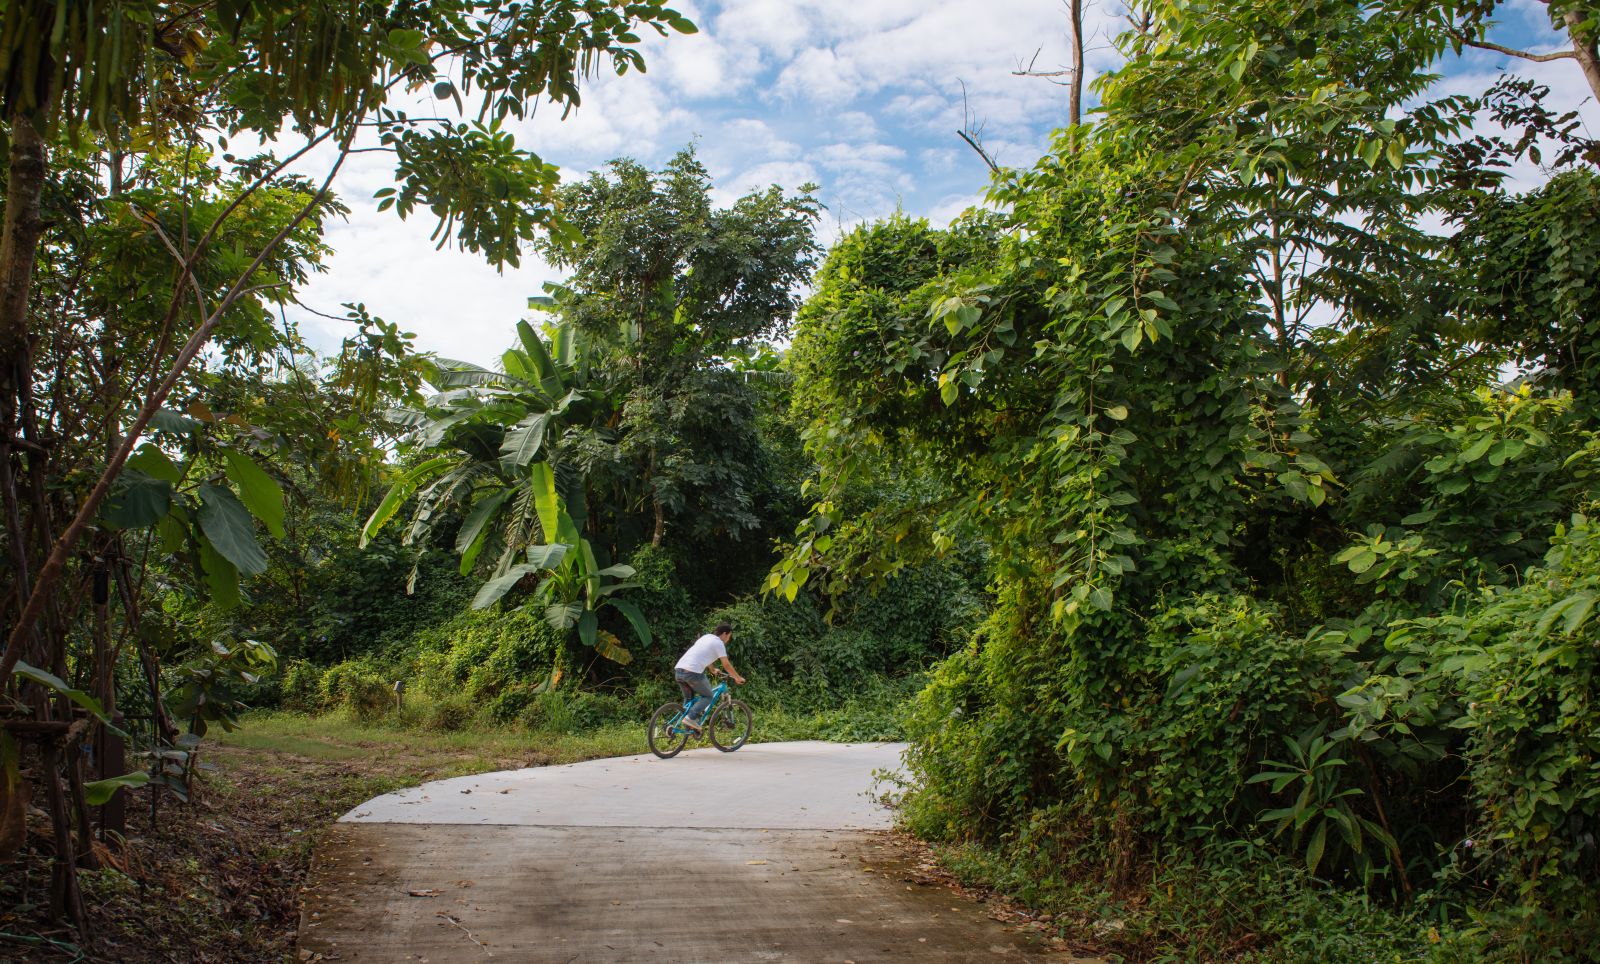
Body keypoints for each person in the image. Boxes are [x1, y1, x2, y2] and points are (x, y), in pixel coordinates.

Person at [673, 622, 744, 732]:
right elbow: (726, 664)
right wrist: (737, 677)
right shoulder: (719, 643)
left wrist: (712, 669)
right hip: (692, 673)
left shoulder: (705, 637)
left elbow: (703, 655)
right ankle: (690, 719)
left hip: (679, 670)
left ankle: (684, 727)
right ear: (725, 634)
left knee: (689, 700)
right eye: (729, 636)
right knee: (708, 696)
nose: (728, 639)